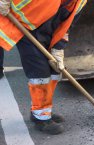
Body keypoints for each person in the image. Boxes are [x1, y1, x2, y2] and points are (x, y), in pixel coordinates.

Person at [0, 0, 87, 134]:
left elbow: (67, 25)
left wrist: (59, 48)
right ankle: (41, 119)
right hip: (25, 27)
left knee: (55, 70)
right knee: (39, 73)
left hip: (49, 32)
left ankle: (43, 111)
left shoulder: (80, 2)